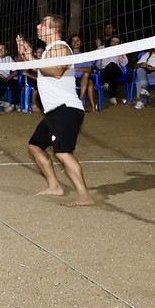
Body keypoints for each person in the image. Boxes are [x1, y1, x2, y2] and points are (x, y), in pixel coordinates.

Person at [16, 14, 93, 206]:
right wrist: (28, 55)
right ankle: (54, 186)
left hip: (66, 109)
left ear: (54, 29)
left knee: (62, 152)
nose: (38, 26)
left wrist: (33, 58)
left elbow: (57, 71)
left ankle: (84, 195)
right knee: (35, 146)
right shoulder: (48, 51)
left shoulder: (60, 47)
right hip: (54, 111)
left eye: (43, 23)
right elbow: (44, 72)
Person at [0, 42, 22, 112]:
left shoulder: (9, 59)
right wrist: (0, 75)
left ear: (6, 51)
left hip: (6, 78)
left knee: (16, 85)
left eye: (2, 49)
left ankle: (14, 104)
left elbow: (15, 72)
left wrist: (9, 77)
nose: (0, 50)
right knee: (2, 85)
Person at [97, 37, 128, 104]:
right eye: (113, 41)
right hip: (105, 71)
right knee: (111, 74)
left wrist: (119, 53)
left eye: (117, 42)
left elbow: (124, 63)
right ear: (110, 42)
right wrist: (100, 59)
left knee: (112, 64)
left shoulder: (120, 49)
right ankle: (112, 97)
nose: (115, 43)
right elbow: (98, 66)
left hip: (117, 71)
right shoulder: (102, 49)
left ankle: (106, 83)